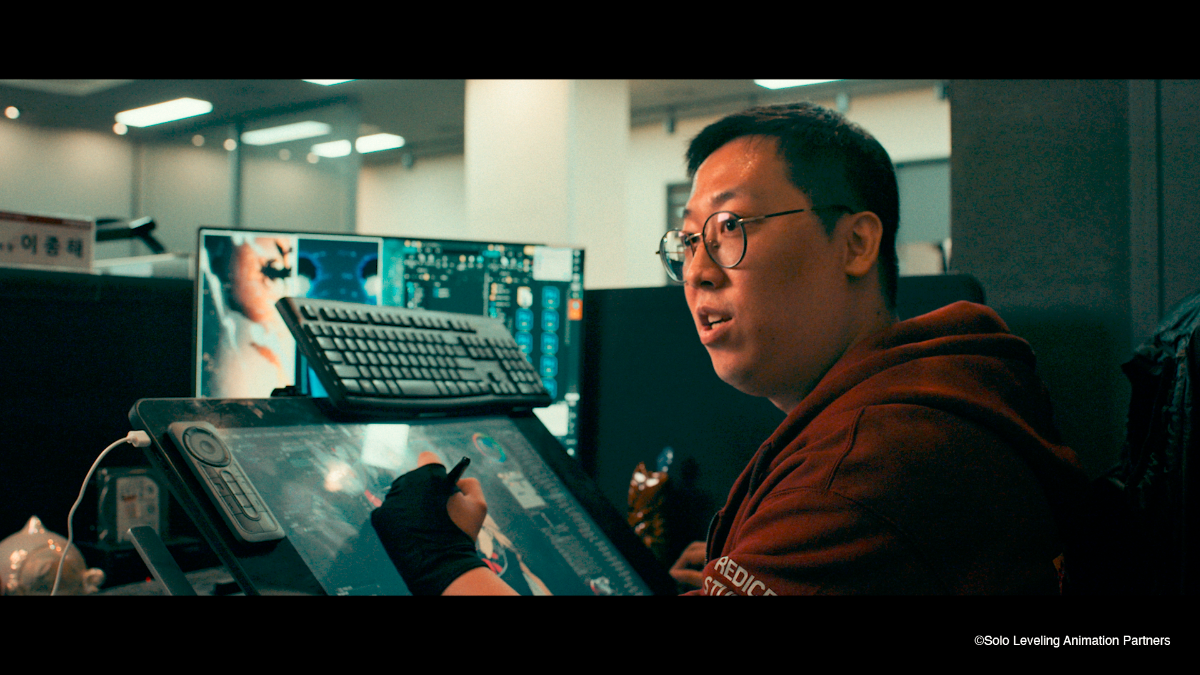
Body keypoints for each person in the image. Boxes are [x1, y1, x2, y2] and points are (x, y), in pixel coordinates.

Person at [372, 101, 1087, 595]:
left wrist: (444, 563)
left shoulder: (865, 467)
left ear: (856, 243)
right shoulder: (913, 401)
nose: (698, 270)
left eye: (730, 228)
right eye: (689, 239)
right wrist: (749, 568)